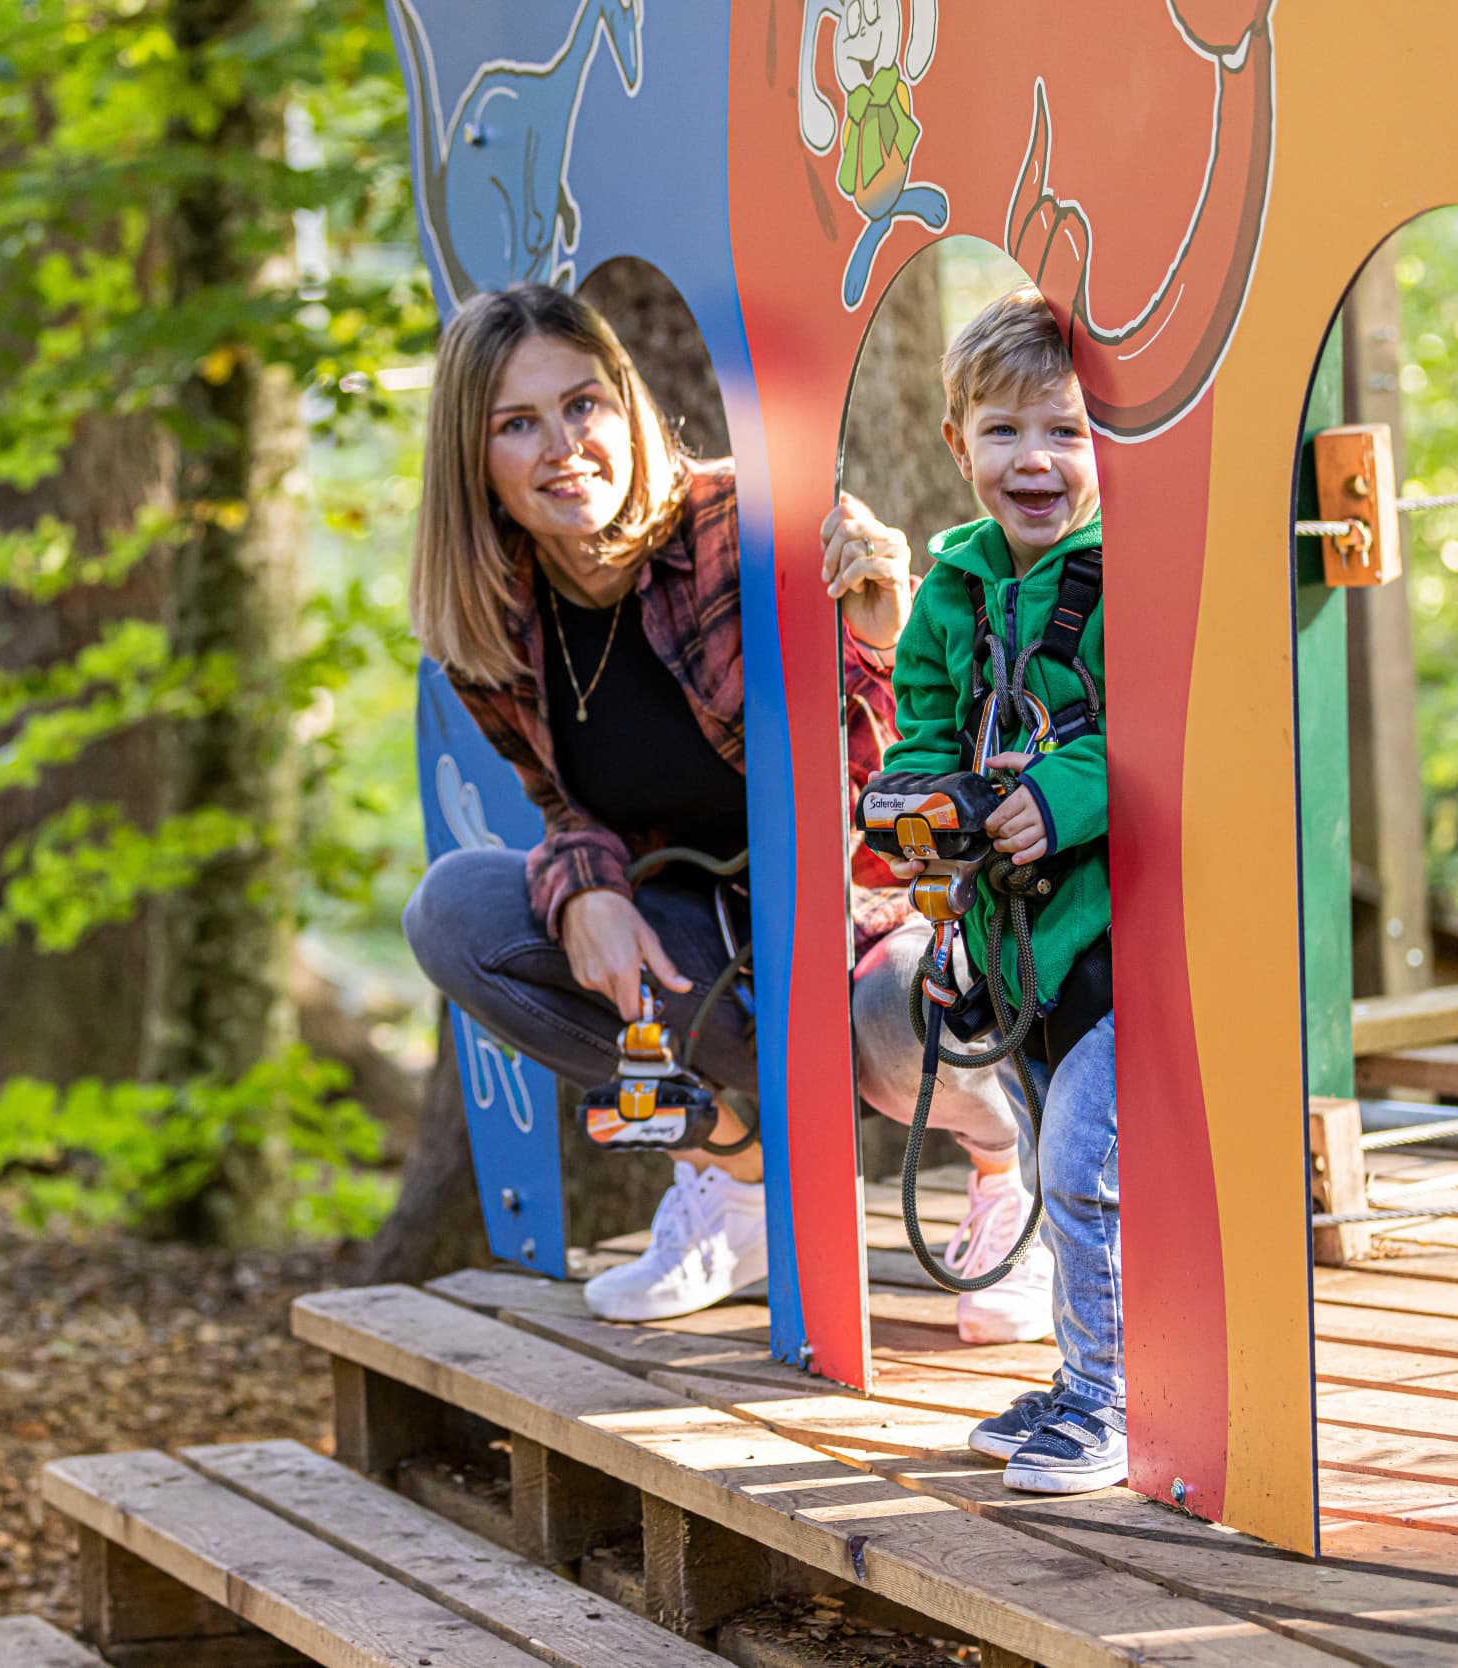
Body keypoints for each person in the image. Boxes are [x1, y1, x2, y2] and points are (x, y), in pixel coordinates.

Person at [400, 282, 1023, 1324]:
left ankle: (1013, 1175)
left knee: (904, 1016)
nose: (564, 446)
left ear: (626, 406)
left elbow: (910, 770)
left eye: (583, 403)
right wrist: (582, 890)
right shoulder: (491, 625)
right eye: (518, 423)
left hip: (872, 917)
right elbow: (564, 810)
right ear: (475, 460)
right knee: (456, 912)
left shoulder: (741, 516)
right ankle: (740, 1189)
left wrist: (877, 640)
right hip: (718, 940)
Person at [851, 287, 1122, 1492]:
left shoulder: (1126, 575)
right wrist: (920, 806)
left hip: (1112, 937)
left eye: (1065, 430)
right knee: (1067, 1159)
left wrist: (1061, 794)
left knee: (1081, 1166)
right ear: (956, 443)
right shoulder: (956, 587)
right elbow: (920, 723)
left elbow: (1159, 730)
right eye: (1004, 432)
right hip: (1011, 946)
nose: (1036, 460)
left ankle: (1111, 1400)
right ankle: (1085, 1374)